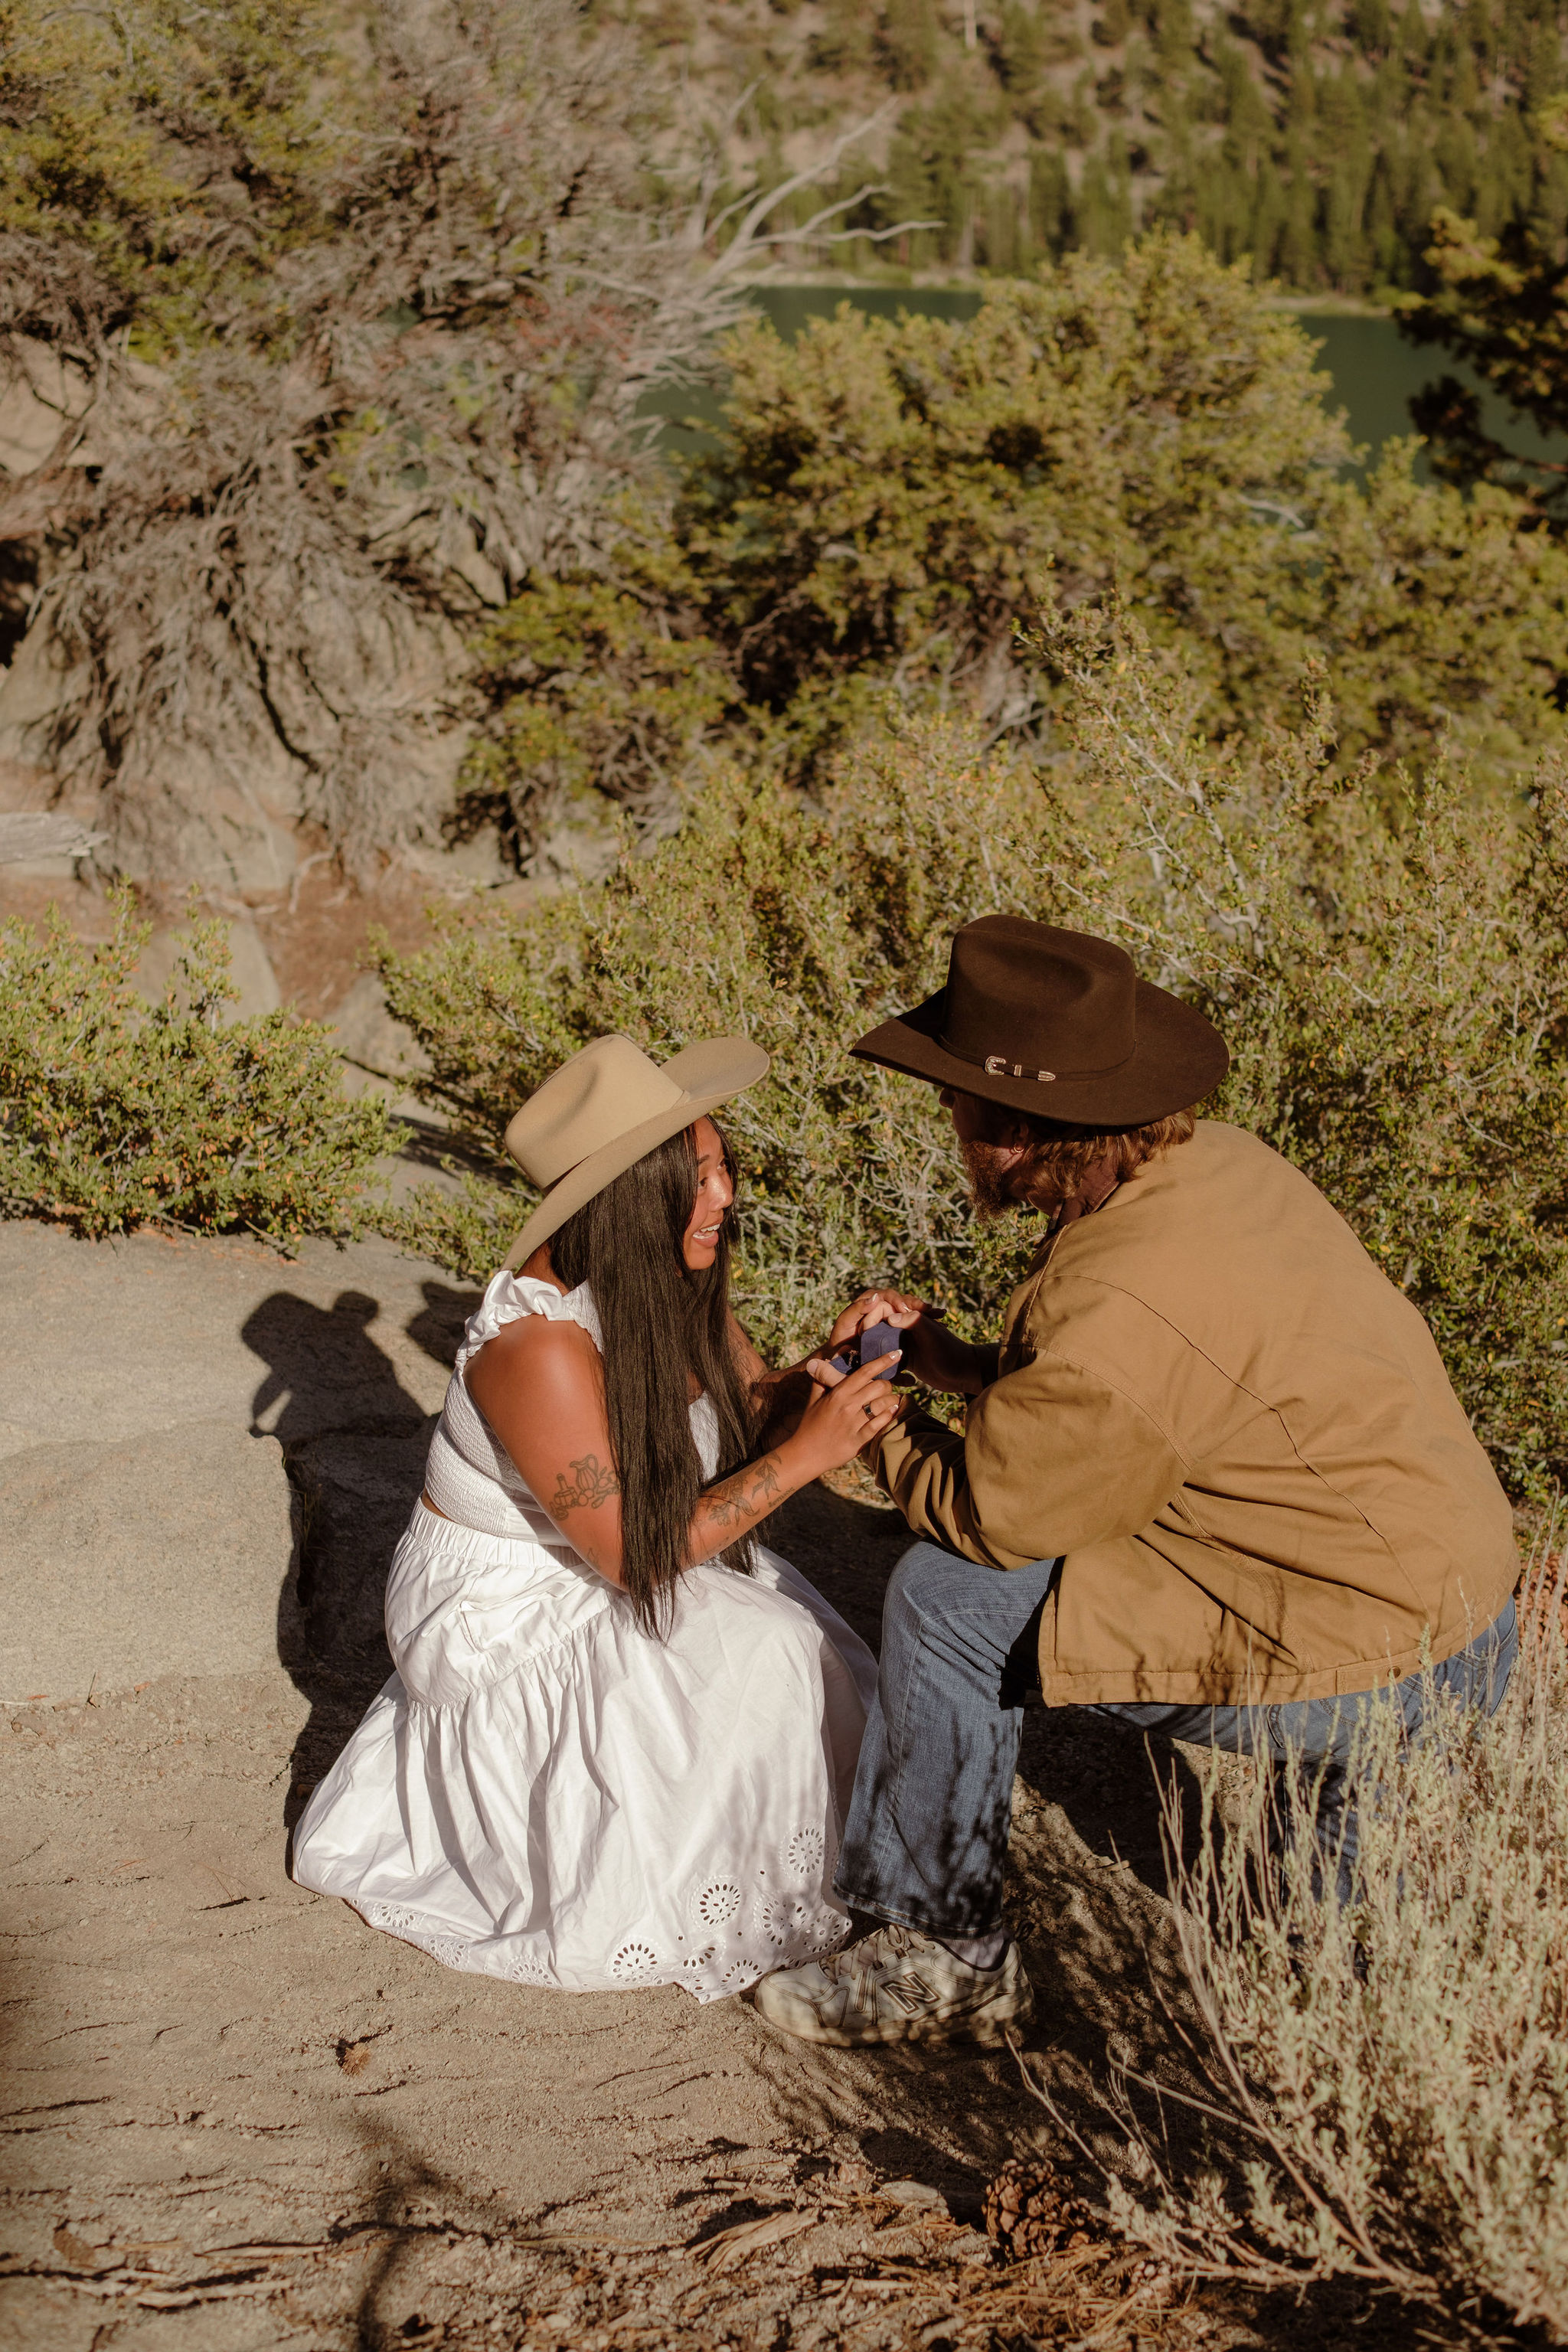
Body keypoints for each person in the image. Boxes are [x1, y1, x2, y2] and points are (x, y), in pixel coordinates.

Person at [751, 915, 1520, 2050]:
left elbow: (994, 1517)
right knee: (1328, 1980)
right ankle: (1337, 1922)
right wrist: (962, 1366)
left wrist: (880, 1425)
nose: (951, 1123)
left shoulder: (1115, 1301)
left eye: (958, 1104)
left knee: (943, 1599)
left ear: (1016, 1130)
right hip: (1458, 1603)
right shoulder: (1219, 1165)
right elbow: (1147, 1397)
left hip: (1379, 1658)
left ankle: (950, 1957)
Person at [292, 1031, 897, 2001]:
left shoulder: (663, 1281)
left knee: (796, 1643)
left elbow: (744, 1422)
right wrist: (805, 1456)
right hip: (509, 1610)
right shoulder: (536, 1345)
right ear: (630, 1193)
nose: (724, 1196)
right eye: (697, 1178)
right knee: (767, 1651)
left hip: (620, 1551)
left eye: (722, 1170)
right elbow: (633, 1561)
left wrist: (822, 1380)